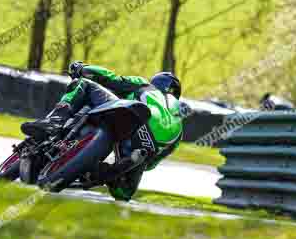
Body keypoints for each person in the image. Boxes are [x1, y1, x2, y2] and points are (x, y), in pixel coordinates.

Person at [11, 62, 184, 201]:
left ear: (157, 82)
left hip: (134, 118)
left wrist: (82, 68)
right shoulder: (178, 126)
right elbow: (152, 164)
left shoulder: (146, 87)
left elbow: (111, 79)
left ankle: (53, 122)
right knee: (123, 194)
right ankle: (105, 172)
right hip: (142, 152)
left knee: (83, 85)